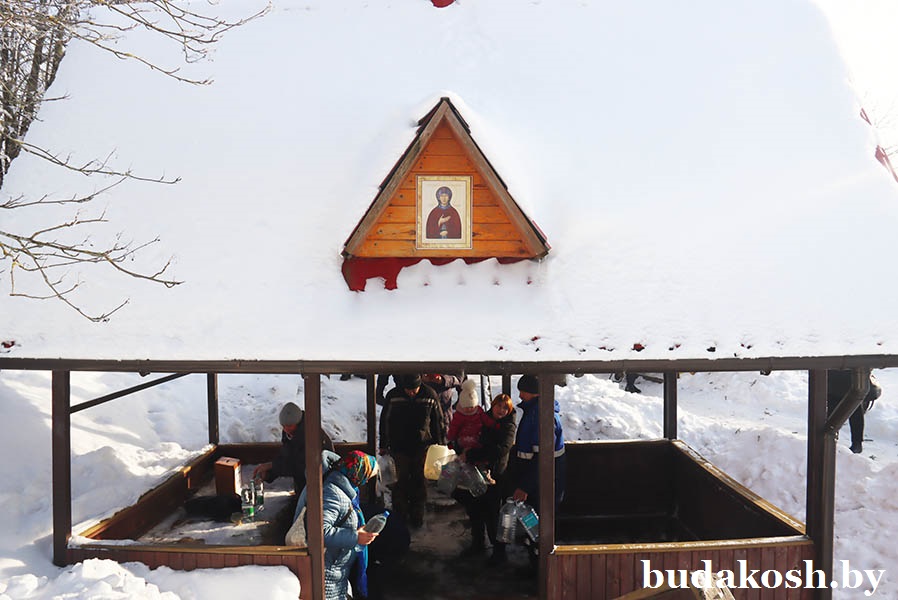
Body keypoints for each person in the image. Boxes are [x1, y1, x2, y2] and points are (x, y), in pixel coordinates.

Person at [290, 450, 380, 600]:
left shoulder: (340, 487)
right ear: (359, 473)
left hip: (335, 572)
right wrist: (356, 537)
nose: (366, 482)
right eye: (368, 476)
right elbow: (319, 532)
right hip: (326, 575)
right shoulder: (332, 492)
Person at [506, 374, 566, 571]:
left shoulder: (542, 416)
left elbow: (542, 459)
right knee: (534, 525)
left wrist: (525, 486)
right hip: (536, 483)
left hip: (541, 486)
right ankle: (536, 566)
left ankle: (540, 572)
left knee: (538, 528)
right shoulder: (538, 412)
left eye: (522, 391)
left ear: (531, 392)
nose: (520, 395)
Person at [451, 392, 517, 561]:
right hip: (474, 472)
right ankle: (477, 543)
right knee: (474, 509)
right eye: (498, 406)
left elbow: (501, 449)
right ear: (493, 405)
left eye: (505, 408)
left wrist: (473, 453)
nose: (501, 411)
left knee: (493, 514)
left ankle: (499, 552)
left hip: (495, 475)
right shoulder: (481, 418)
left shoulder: (508, 426)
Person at [379, 373, 445, 528]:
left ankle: (417, 515)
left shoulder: (429, 395)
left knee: (419, 482)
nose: (411, 393)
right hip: (398, 446)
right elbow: (385, 421)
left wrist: (439, 445)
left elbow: (437, 421)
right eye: (408, 390)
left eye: (414, 390)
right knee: (399, 482)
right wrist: (384, 443)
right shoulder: (393, 396)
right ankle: (400, 516)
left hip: (422, 447)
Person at [252, 402, 335, 493]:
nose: (286, 429)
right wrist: (269, 474)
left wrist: (272, 465)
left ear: (298, 423)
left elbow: (299, 466)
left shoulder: (310, 434)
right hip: (303, 487)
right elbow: (286, 457)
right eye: (283, 426)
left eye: (289, 426)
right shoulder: (291, 433)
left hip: (321, 488)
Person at [447, 378, 499, 483]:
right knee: (466, 455)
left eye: (472, 406)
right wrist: (450, 439)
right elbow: (454, 427)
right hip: (464, 439)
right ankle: (466, 474)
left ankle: (483, 472)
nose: (470, 409)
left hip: (477, 438)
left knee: (480, 453)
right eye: (467, 407)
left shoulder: (478, 411)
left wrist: (494, 425)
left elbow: (486, 420)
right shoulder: (459, 415)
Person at [827, 369, 882, 454]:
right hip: (852, 381)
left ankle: (830, 438)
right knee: (855, 403)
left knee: (836, 402)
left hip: (834, 381)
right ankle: (856, 443)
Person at [422, 371, 466, 436]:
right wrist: (419, 379)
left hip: (444, 408)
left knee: (444, 434)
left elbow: (459, 378)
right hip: (423, 405)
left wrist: (443, 380)